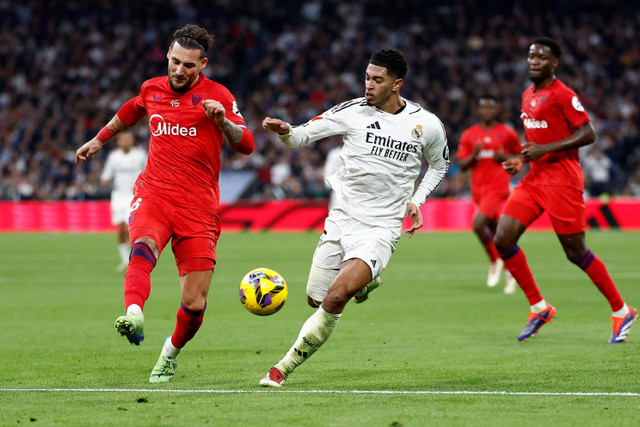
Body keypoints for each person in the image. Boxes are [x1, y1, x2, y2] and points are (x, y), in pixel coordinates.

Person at [259, 48, 449, 387]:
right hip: (341, 219)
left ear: (396, 84)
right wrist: (286, 130)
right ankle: (368, 282)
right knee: (316, 298)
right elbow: (302, 136)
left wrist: (417, 200)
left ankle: (281, 369)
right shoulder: (352, 111)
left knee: (335, 297)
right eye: (367, 77)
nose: (369, 85)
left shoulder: (427, 124)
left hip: (381, 227)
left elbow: (440, 165)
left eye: (378, 80)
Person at [75, 24, 255, 382]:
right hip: (154, 194)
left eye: (189, 65)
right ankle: (134, 312)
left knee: (194, 303)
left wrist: (222, 122)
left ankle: (170, 352)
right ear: (168, 57)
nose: (179, 70)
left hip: (199, 208)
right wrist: (100, 139)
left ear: (202, 64)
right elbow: (131, 110)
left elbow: (246, 143)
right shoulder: (152, 88)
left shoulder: (218, 96)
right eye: (175, 62)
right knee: (142, 248)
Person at [494, 37, 636, 343]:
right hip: (534, 179)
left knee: (575, 252)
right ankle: (539, 306)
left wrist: (545, 148)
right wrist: (521, 159)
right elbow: (536, 140)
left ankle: (621, 310)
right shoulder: (527, 95)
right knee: (502, 239)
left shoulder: (563, 94)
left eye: (541, 57)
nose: (534, 61)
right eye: (531, 56)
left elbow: (588, 133)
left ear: (554, 63)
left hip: (563, 181)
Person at [457, 95, 521, 293]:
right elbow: (462, 166)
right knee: (499, 235)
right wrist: (475, 154)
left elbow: (520, 157)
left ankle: (494, 261)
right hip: (479, 190)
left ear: (496, 110)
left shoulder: (507, 133)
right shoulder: (470, 135)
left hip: (498, 188)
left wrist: (506, 158)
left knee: (478, 224)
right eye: (483, 107)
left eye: (490, 107)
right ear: (479, 110)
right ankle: (512, 271)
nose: (487, 111)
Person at [100, 131, 147, 272]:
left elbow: (148, 171)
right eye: (123, 140)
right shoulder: (114, 157)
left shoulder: (140, 155)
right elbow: (106, 175)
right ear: (119, 142)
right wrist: (105, 179)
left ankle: (137, 256)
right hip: (118, 196)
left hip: (135, 196)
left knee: (127, 226)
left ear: (132, 140)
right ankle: (126, 260)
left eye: (128, 139)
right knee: (120, 229)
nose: (125, 142)